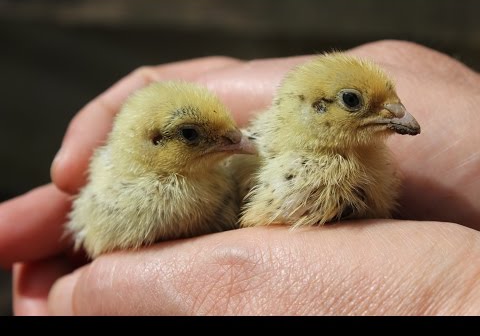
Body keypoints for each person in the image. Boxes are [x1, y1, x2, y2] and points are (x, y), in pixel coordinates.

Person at [1, 40, 479, 315]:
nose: (398, 115)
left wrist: (454, 296)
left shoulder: (293, 164)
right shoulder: (252, 169)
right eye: (355, 101)